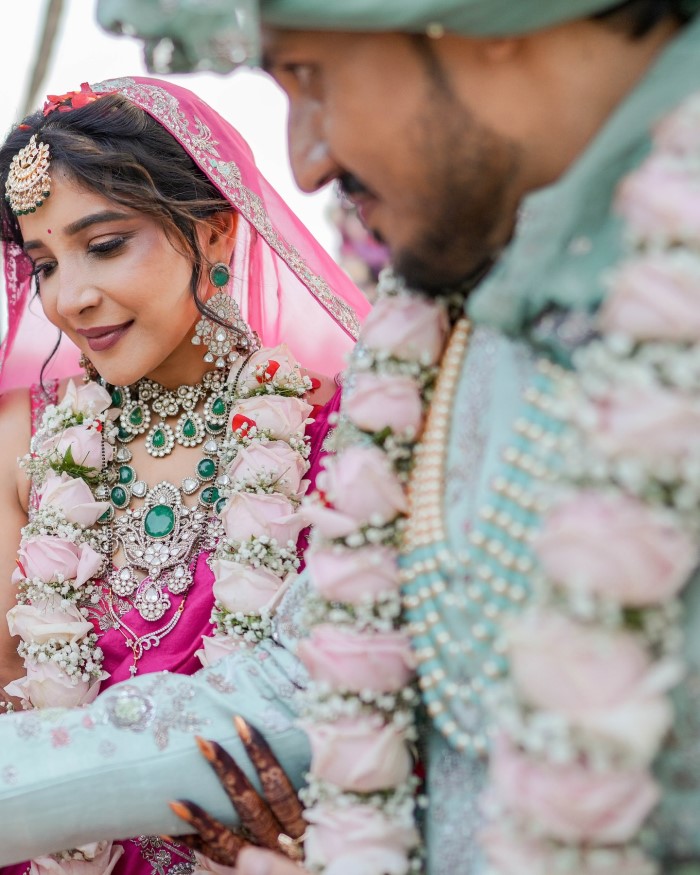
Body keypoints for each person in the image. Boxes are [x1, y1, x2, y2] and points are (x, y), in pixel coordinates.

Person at [1, 1, 700, 873]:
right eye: (44, 264)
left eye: (309, 77)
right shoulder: (445, 343)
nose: (305, 159)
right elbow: (304, 686)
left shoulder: (339, 428)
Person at [0, 75, 368, 874]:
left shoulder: (331, 437)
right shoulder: (24, 437)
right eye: (44, 263)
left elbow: (368, 707)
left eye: (103, 245)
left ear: (214, 233)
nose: (71, 297)